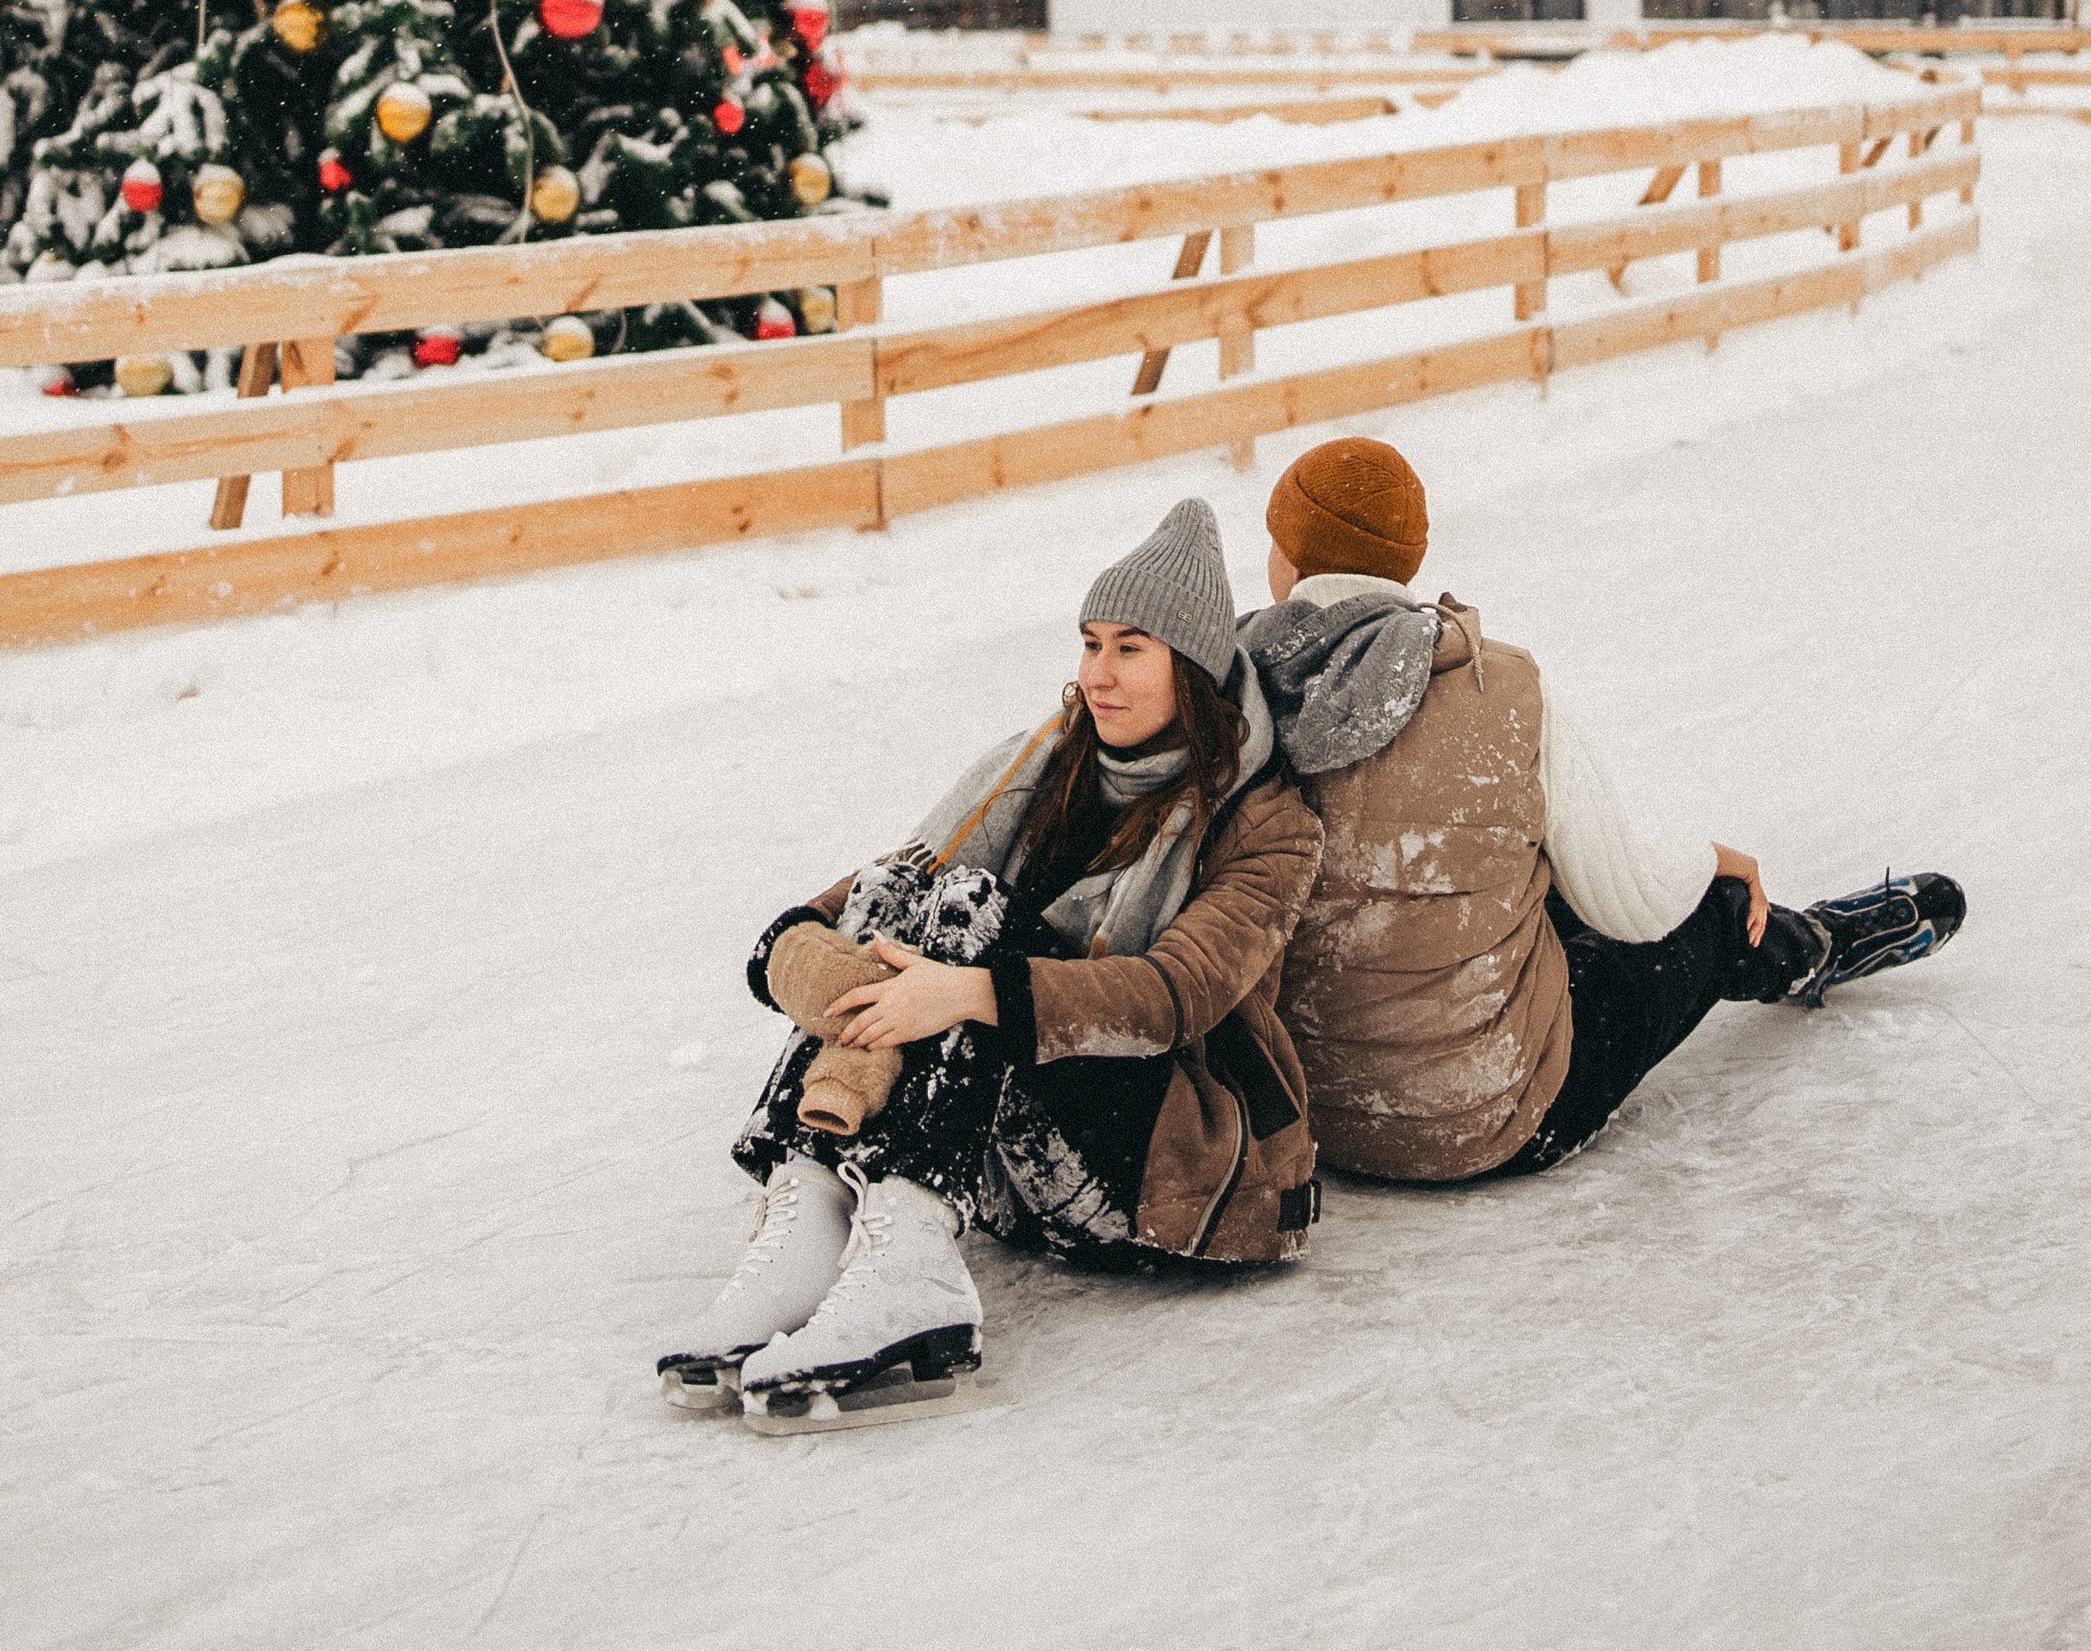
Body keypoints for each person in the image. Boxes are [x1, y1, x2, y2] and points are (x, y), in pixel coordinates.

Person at [663, 497, 1323, 1425]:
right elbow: (857, 903)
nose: (1099, 673)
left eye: (1132, 648)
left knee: (970, 914)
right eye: (1090, 643)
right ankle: (811, 1209)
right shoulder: (1042, 767)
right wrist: (810, 958)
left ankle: (913, 1268)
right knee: (909, 897)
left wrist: (964, 994)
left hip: (1181, 1171)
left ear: (1197, 667)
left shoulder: (1266, 819)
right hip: (1023, 1163)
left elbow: (1178, 996)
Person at [1241, 436, 1966, 1182]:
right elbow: (1631, 903)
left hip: (1306, 1121)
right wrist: (1716, 862)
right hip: (1488, 1121)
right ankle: (1810, 948)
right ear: (1406, 561)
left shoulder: (1229, 697)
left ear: (1290, 561)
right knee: (1706, 908)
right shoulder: (1504, 686)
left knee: (1518, 889)